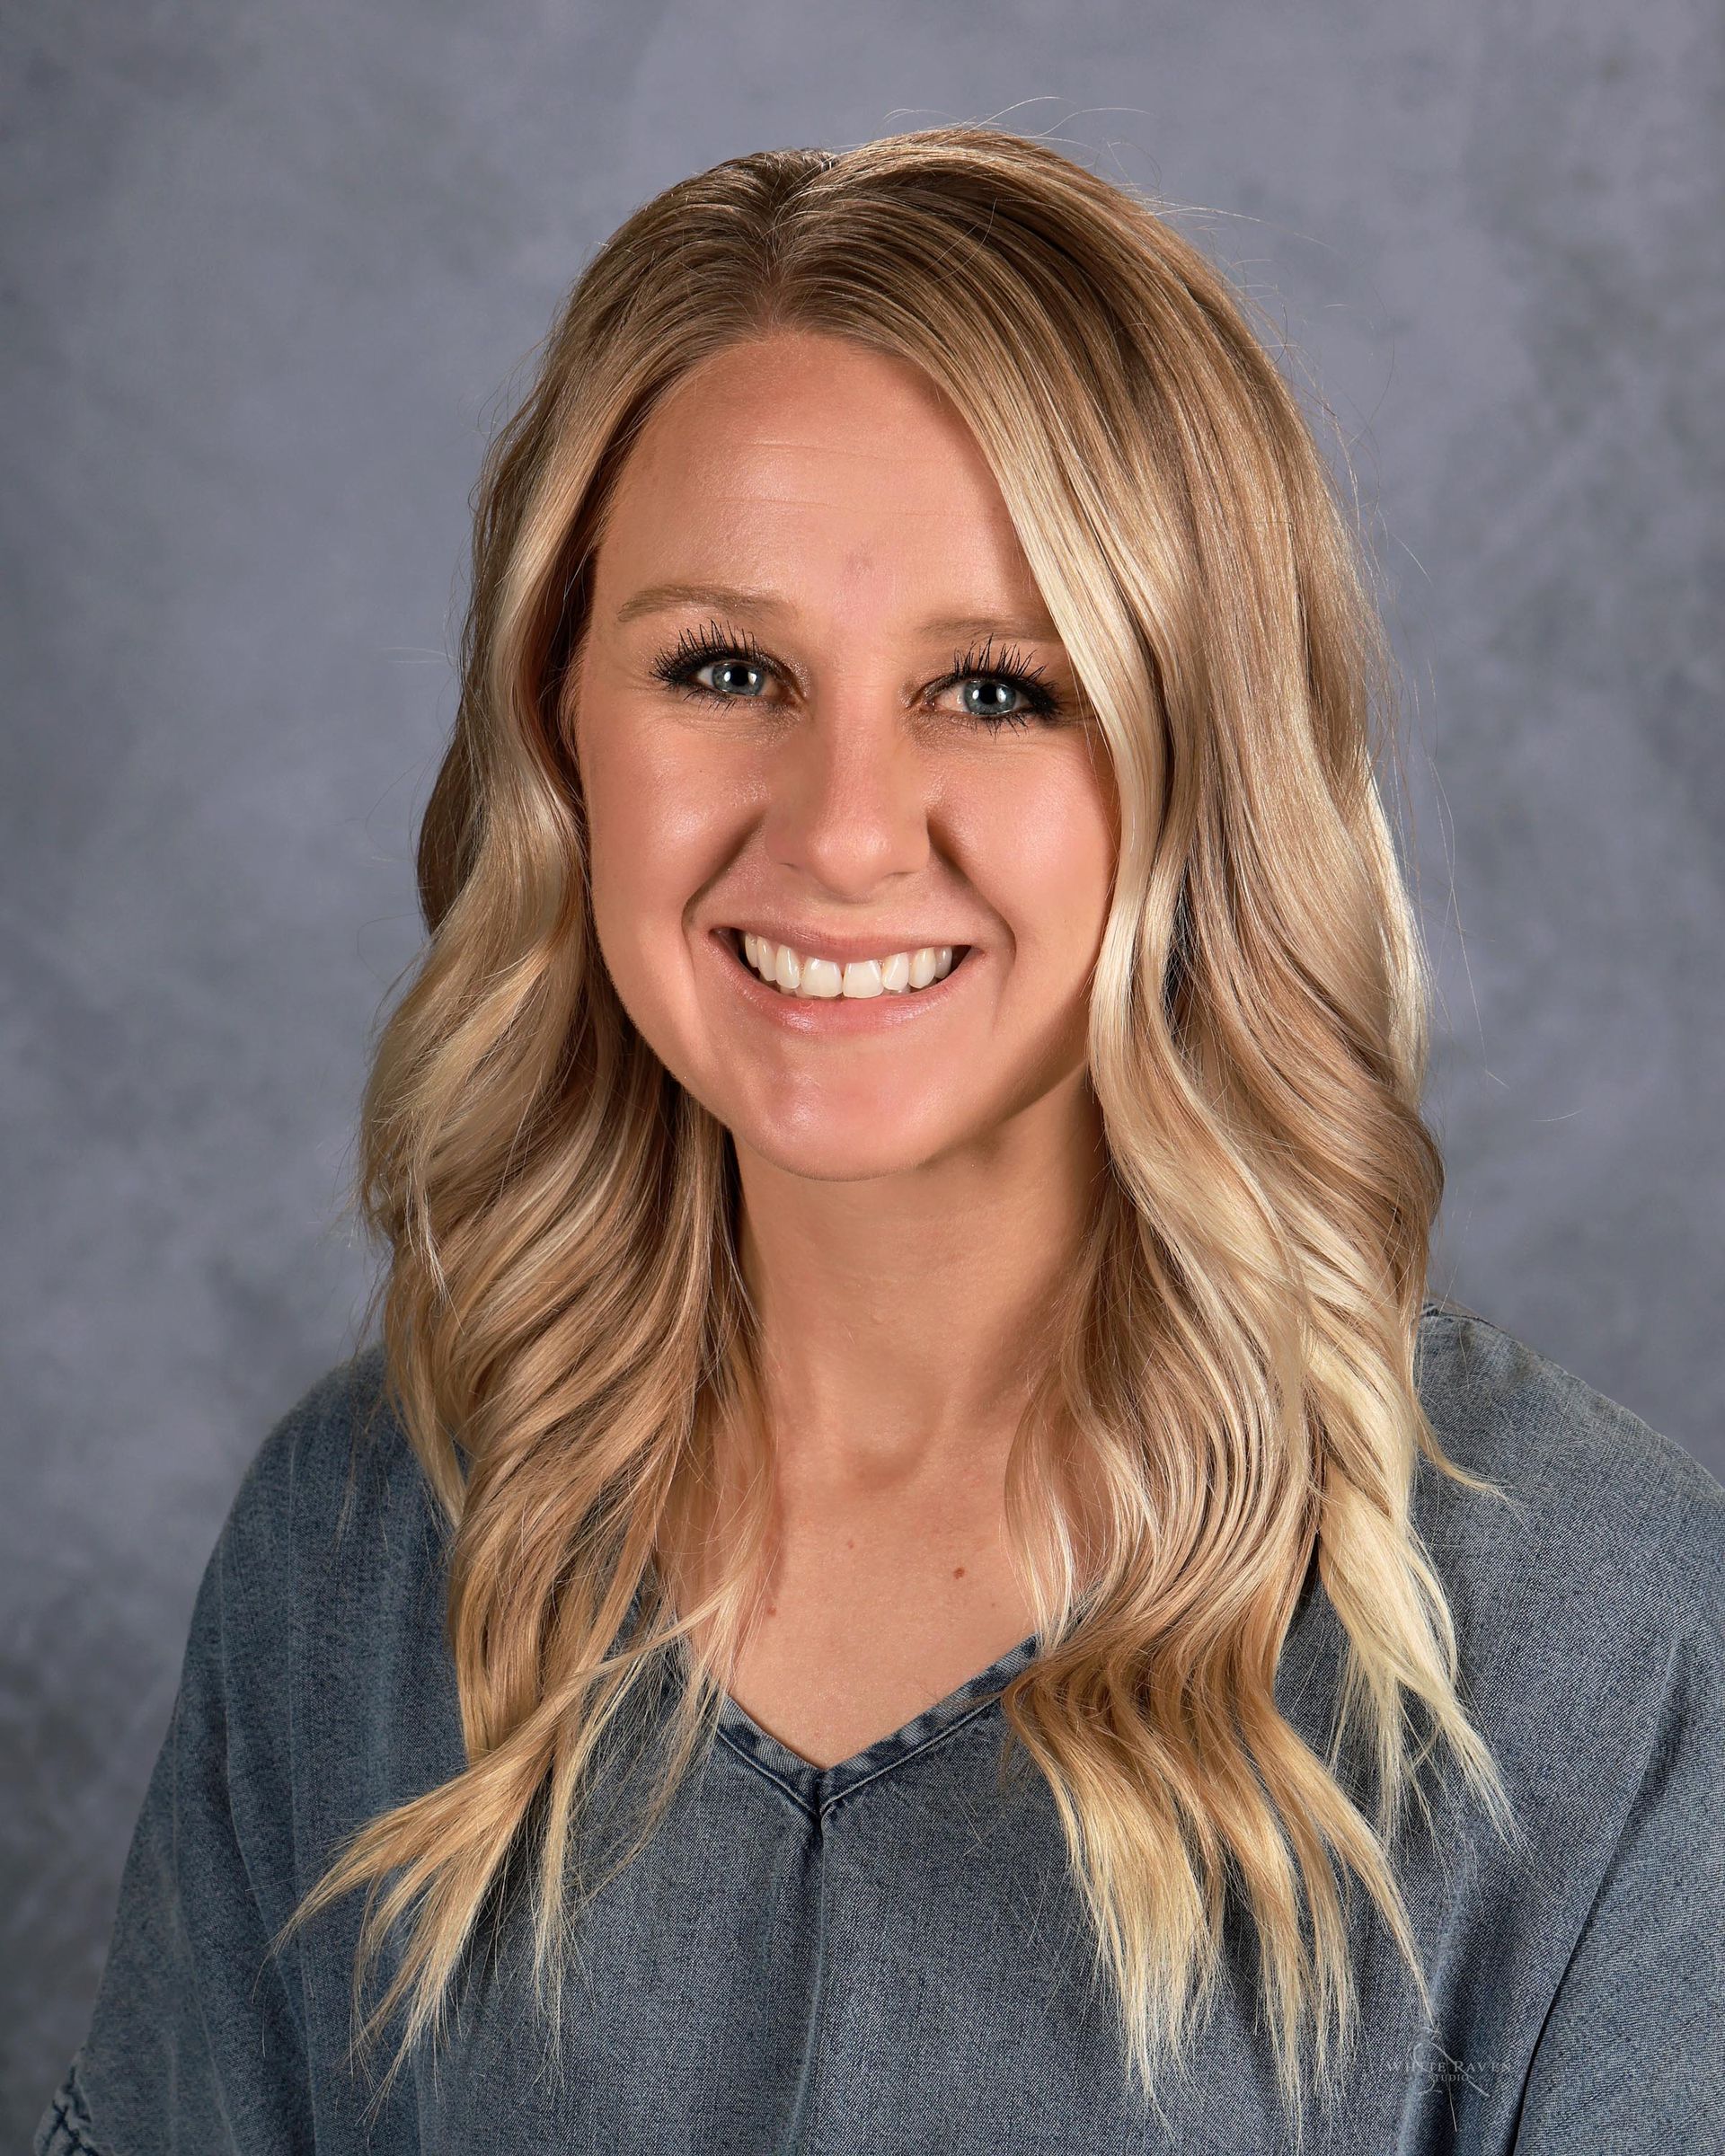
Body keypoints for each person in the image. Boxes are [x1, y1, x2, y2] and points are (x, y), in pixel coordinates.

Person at [37, 127, 1724, 2156]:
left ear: (1206, 765)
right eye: (723, 669)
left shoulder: (1598, 1639)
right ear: (558, 721)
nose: (840, 830)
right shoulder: (360, 1550)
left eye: (998, 689)